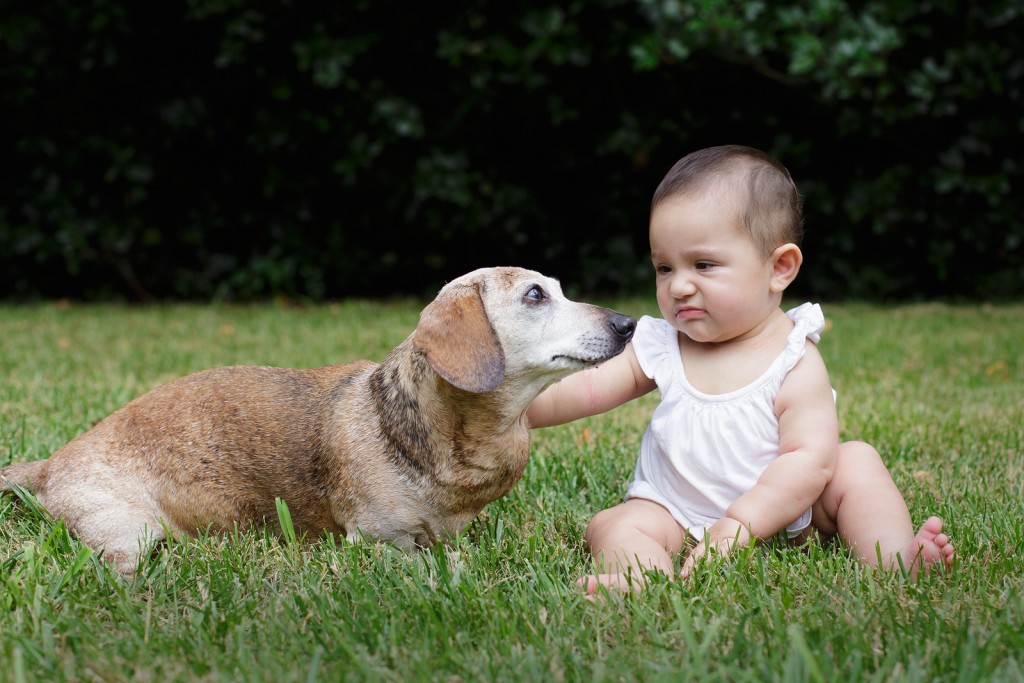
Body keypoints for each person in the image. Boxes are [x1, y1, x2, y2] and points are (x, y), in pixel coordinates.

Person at [527, 145, 955, 594]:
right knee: (614, 522)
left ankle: (895, 559)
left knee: (855, 462)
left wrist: (740, 524)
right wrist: (511, 407)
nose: (679, 285)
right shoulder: (661, 342)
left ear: (779, 268)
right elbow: (588, 389)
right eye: (664, 267)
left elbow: (807, 459)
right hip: (676, 512)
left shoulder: (794, 358)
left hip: (791, 516)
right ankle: (644, 579)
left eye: (704, 265)